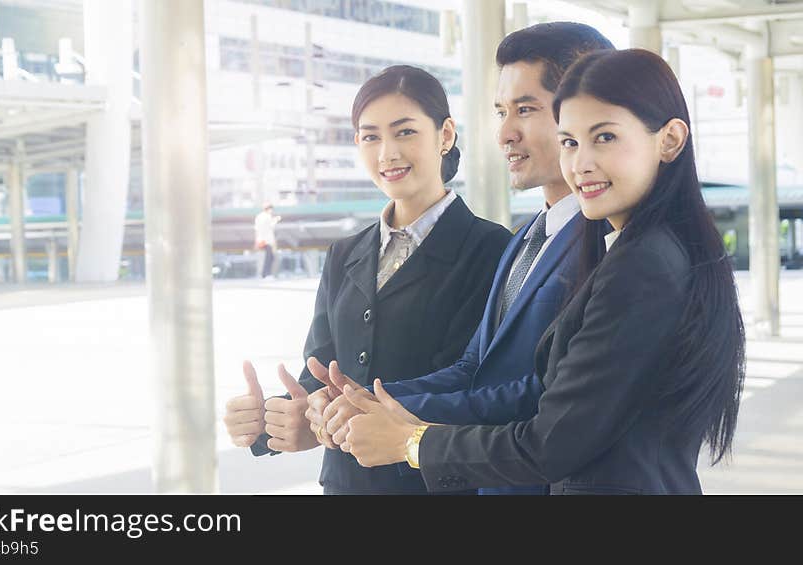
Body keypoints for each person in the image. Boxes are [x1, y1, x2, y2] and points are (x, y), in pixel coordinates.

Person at [339, 48, 747, 495]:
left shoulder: (643, 264)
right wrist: (379, 404)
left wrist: (412, 442)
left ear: (669, 140)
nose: (581, 163)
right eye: (569, 142)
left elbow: (550, 442)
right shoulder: (621, 247)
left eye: (605, 137)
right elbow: (536, 386)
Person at [307, 22, 615, 495]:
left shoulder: (607, 244)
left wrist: (408, 435)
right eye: (500, 111)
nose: (504, 132)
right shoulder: (528, 237)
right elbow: (476, 368)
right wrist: (361, 402)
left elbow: (543, 397)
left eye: (526, 109)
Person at [222, 65, 512, 494]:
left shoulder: (490, 248)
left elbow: (475, 386)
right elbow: (320, 373)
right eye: (370, 136)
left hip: (435, 488)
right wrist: (275, 418)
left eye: (405, 132)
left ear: (445, 135)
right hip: (346, 486)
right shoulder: (345, 254)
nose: (387, 153)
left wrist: (335, 413)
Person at [254, 203, 281, 278]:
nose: (271, 211)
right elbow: (271, 226)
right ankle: (266, 274)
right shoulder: (268, 216)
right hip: (267, 240)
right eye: (271, 209)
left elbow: (256, 229)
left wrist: (256, 241)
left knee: (267, 257)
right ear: (268, 209)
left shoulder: (259, 216)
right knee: (269, 257)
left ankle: (264, 274)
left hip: (261, 240)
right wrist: (276, 219)